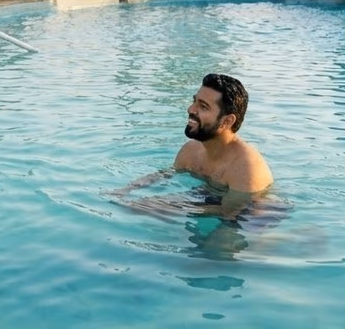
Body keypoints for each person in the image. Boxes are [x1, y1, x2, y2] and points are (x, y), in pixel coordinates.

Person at [111, 73, 273, 220]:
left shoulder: (246, 166)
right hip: (210, 199)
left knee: (212, 249)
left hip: (253, 219)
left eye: (203, 106)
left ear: (227, 121)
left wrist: (159, 205)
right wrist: (125, 190)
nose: (191, 109)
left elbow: (230, 211)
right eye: (194, 101)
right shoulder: (191, 149)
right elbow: (166, 174)